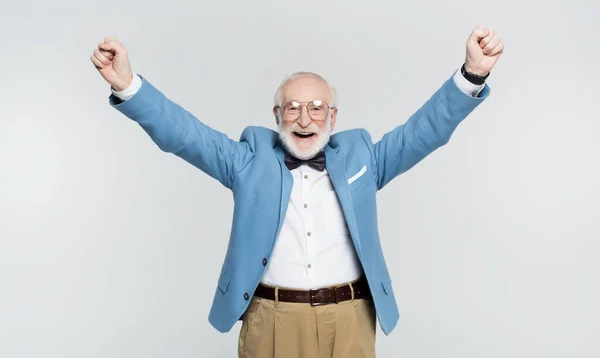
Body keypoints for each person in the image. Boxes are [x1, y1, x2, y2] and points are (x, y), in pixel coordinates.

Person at [90, 25, 504, 358]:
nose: (304, 119)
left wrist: (471, 76)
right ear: (277, 115)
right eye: (292, 107)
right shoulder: (247, 160)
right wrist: (128, 85)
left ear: (333, 116)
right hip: (272, 318)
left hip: (350, 319)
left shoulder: (364, 159)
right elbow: (184, 134)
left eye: (317, 107)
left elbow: (424, 130)